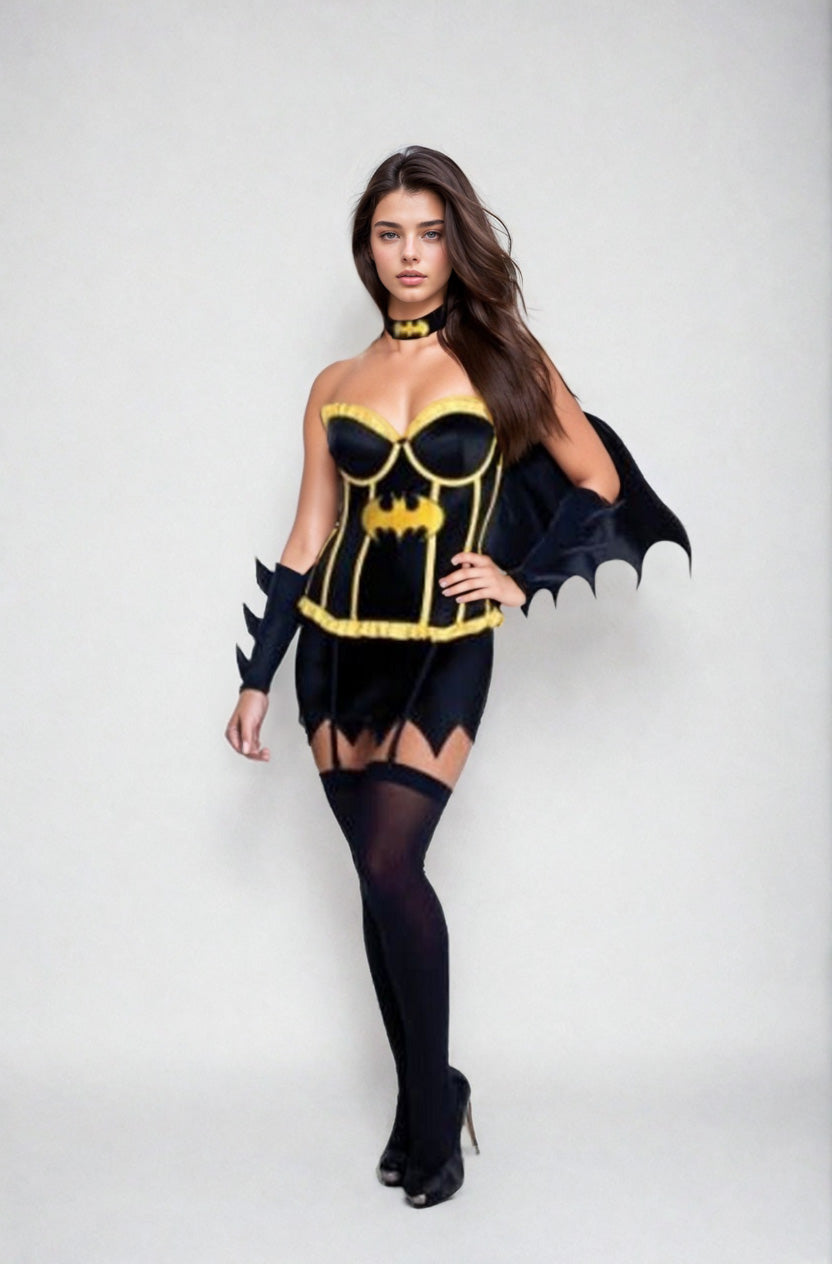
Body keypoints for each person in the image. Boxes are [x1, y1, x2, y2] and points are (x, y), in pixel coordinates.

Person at [224, 145, 690, 1210]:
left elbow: (596, 476)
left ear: (454, 243)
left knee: (395, 865)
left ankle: (435, 1116)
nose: (410, 254)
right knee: (372, 877)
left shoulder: (502, 358)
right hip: (334, 651)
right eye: (389, 234)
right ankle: (423, 1100)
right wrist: (257, 677)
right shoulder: (334, 385)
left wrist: (520, 576)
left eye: (429, 234)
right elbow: (308, 533)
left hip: (443, 648)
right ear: (367, 249)